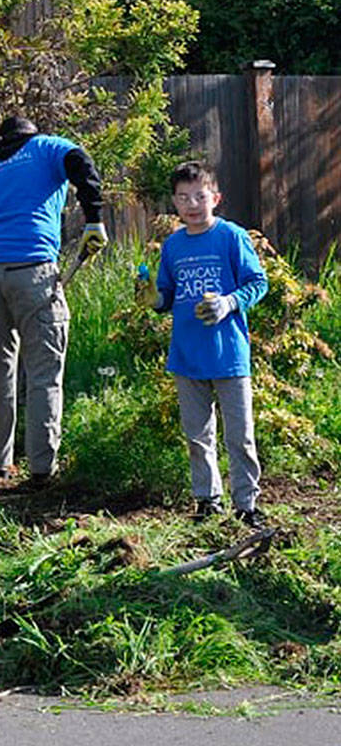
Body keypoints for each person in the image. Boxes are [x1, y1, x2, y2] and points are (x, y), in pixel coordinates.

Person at [0, 116, 108, 484]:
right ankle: (42, 469)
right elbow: (81, 162)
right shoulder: (46, 146)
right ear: (30, 136)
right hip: (30, 269)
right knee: (44, 371)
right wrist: (94, 218)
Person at [136, 161, 268, 526]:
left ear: (215, 197)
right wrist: (151, 298)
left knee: (240, 438)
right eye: (183, 198)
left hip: (228, 355)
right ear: (174, 203)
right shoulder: (174, 245)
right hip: (187, 355)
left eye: (199, 196)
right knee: (197, 436)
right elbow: (166, 296)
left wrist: (229, 302)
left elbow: (258, 283)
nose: (192, 204)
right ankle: (208, 502)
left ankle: (247, 507)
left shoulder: (231, 237)